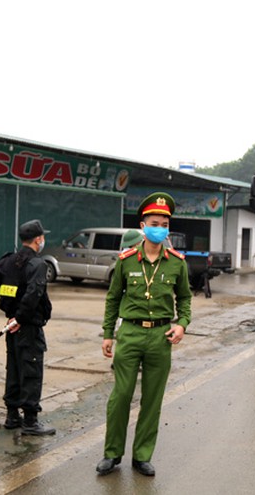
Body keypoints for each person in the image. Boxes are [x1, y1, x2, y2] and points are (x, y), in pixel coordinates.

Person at [96, 192, 192, 477]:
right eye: (155, 222)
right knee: (121, 396)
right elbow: (113, 299)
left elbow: (185, 299)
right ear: (143, 225)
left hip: (161, 337)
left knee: (153, 399)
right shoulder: (126, 260)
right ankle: (112, 454)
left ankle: (142, 456)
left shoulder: (177, 262)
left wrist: (182, 324)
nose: (160, 228)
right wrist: (107, 333)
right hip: (130, 334)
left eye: (164, 224)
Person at [0, 219, 56, 436]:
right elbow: (34, 294)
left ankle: (12, 415)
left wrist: (13, 311)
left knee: (14, 368)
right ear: (38, 239)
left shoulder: (9, 260)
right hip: (27, 325)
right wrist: (20, 318)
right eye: (42, 237)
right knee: (31, 371)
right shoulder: (38, 264)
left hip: (11, 325)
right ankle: (30, 421)